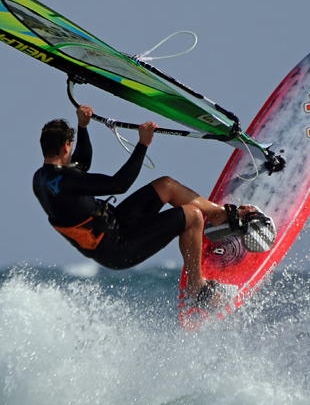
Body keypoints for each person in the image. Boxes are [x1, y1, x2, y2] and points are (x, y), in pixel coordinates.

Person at [33, 105, 253, 303]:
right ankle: (197, 287)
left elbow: (82, 164)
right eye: (70, 146)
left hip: (116, 223)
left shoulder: (41, 179)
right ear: (65, 147)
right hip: (117, 247)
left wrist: (83, 127)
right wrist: (142, 144)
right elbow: (119, 184)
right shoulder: (67, 181)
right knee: (192, 216)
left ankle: (219, 214)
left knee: (167, 185)